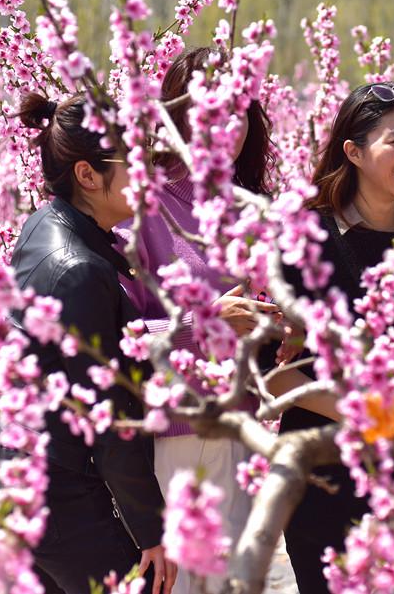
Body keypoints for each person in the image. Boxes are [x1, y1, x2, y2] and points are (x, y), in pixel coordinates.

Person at [266, 81, 394, 593]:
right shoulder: (304, 239)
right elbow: (269, 373)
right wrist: (368, 414)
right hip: (329, 475)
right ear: (353, 151)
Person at [115, 47, 278, 594]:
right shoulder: (144, 206)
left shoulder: (253, 207)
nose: (228, 125)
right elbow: (118, 336)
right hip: (175, 433)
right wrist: (202, 322)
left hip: (244, 424)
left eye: (240, 109)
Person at [8, 93, 176, 594]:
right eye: (134, 162)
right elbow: (108, 416)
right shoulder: (81, 269)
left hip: (31, 482)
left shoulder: (44, 224)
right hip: (65, 501)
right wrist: (152, 532)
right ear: (86, 174)